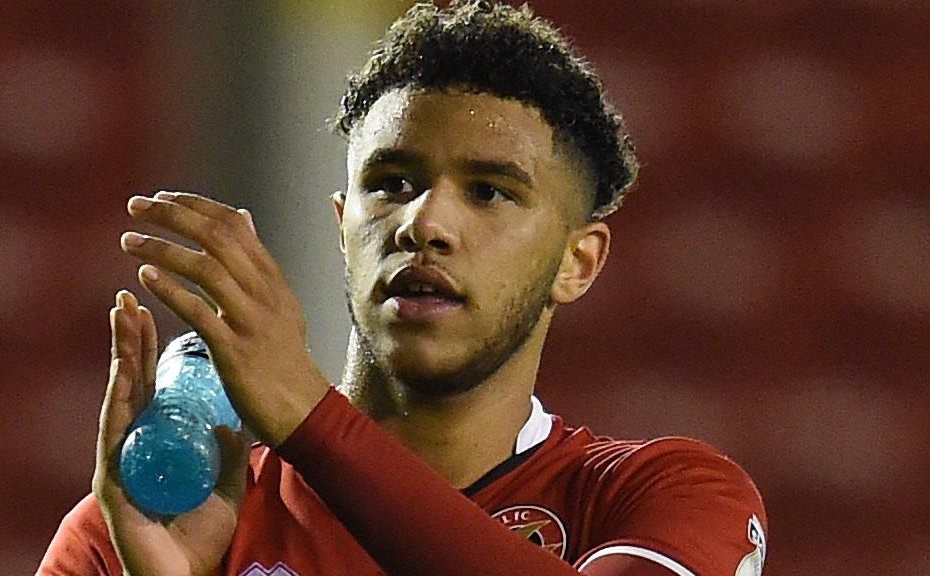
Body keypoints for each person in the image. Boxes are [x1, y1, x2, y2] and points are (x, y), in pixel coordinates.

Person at [38, 2, 767, 575]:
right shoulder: (144, 525)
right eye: (390, 185)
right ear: (342, 225)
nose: (425, 223)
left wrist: (307, 418)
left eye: (489, 192)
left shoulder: (662, 496)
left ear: (579, 261)